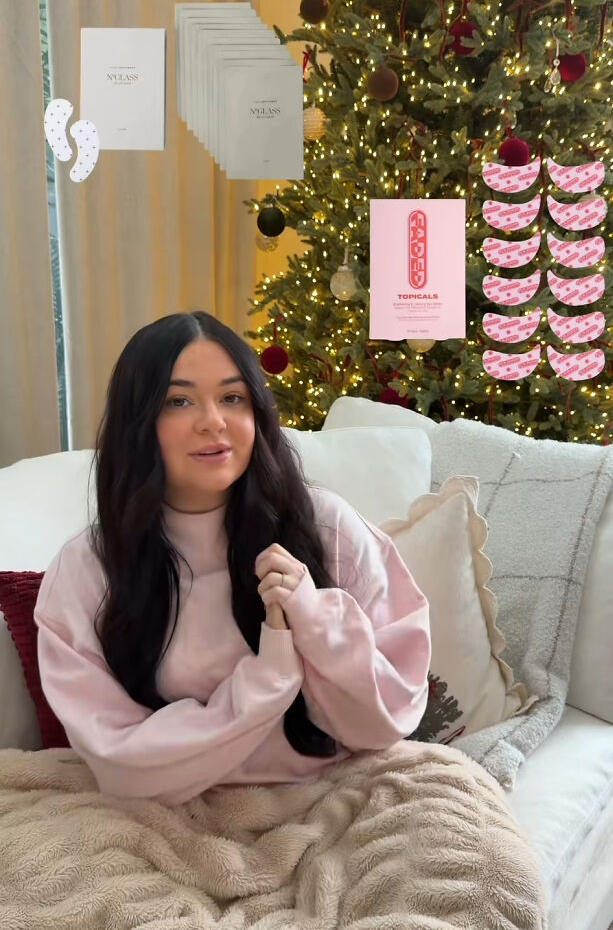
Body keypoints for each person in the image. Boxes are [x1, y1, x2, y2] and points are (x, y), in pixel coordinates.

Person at [34, 311, 431, 806]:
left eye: (232, 398)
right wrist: (270, 677)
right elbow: (119, 762)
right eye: (178, 401)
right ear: (138, 423)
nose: (213, 422)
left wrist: (314, 618)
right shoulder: (86, 569)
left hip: (334, 794)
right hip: (170, 811)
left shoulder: (327, 528)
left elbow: (390, 717)